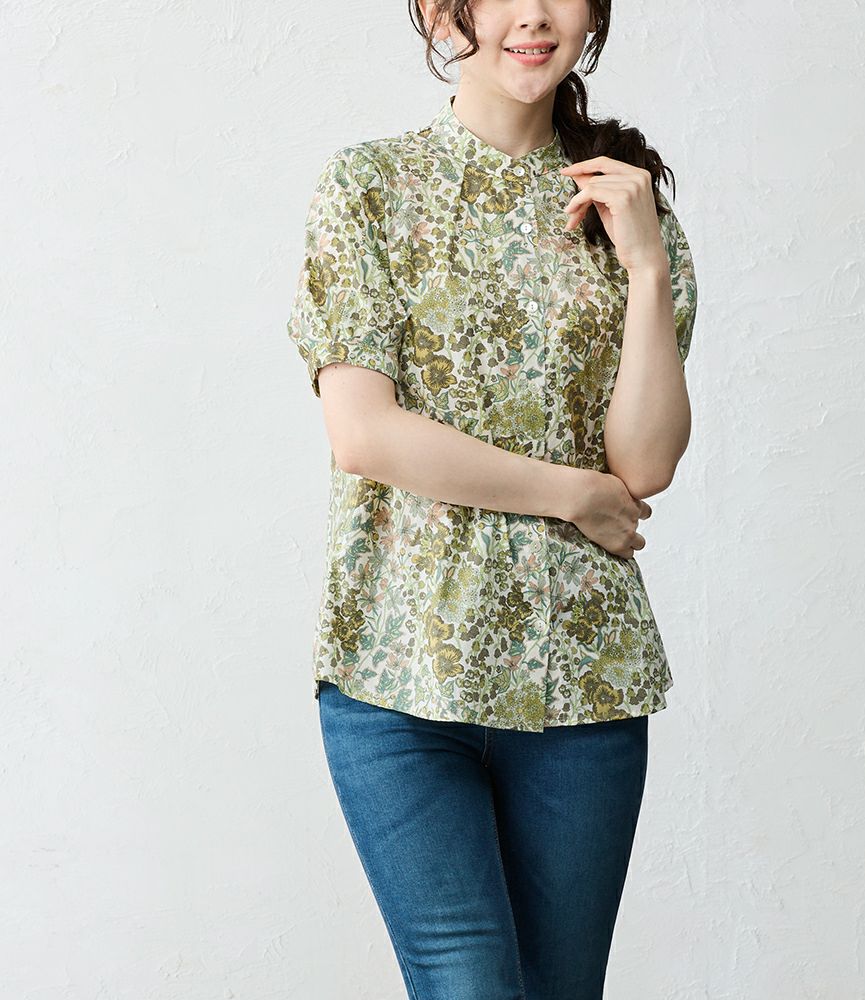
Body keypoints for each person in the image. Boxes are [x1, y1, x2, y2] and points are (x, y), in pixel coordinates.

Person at [285, 1, 698, 997]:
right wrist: (569, 495)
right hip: (398, 673)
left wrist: (644, 265)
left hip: (583, 681)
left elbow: (642, 465)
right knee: (468, 984)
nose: (534, 15)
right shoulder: (369, 186)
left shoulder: (627, 206)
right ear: (442, 12)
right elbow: (364, 433)